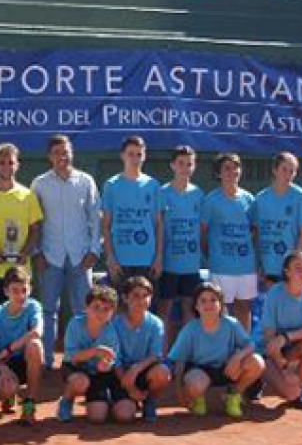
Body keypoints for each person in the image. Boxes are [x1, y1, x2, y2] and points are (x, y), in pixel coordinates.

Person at [31, 135, 102, 370]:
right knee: (48, 311)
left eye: (66, 152)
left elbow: (95, 218)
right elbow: (34, 222)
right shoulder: (39, 184)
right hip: (50, 256)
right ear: (49, 156)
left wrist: (94, 250)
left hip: (81, 257)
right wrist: (36, 251)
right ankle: (48, 361)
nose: (63, 157)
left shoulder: (86, 181)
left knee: (84, 311)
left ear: (72, 153)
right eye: (57, 153)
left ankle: (82, 360)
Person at [167, 282, 265, 418]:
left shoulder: (232, 323)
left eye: (214, 300)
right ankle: (198, 399)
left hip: (228, 369)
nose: (209, 304)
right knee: (196, 385)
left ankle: (232, 395)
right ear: (196, 306)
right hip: (200, 371)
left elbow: (250, 345)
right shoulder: (190, 329)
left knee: (257, 362)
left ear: (221, 305)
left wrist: (237, 357)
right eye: (203, 301)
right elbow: (179, 362)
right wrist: (180, 394)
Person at [0, 143, 43, 317]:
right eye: (2, 162)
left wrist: (25, 253)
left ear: (17, 165)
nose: (6, 166)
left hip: (20, 272)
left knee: (21, 320)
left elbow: (35, 230)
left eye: (11, 162)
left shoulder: (28, 196)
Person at [259, 250, 302, 410]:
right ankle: (259, 379)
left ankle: (299, 387)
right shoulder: (274, 293)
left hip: (293, 346)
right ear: (286, 272)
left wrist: (286, 337)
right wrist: (284, 367)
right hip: (271, 351)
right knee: (288, 393)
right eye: (298, 268)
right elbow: (269, 338)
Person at [201, 153, 257, 332]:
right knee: (221, 312)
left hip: (245, 267)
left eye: (235, 168)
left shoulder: (249, 199)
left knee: (244, 309)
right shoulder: (211, 200)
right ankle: (223, 353)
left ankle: (244, 349)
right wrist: (213, 255)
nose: (232, 172)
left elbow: (253, 230)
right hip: (220, 268)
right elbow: (202, 233)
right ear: (218, 173)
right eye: (227, 168)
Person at [157, 145, 204, 347]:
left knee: (189, 310)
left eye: (189, 164)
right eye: (181, 164)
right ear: (172, 166)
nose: (185, 168)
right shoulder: (162, 193)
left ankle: (184, 356)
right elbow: (157, 226)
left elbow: (202, 229)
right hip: (168, 264)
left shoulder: (199, 194)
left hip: (191, 265)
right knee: (164, 310)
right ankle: (162, 356)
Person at [0, 266, 43, 425]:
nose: (20, 295)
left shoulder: (33, 307)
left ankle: (29, 403)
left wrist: (10, 349)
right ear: (6, 291)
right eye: (15, 290)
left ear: (30, 289)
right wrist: (3, 369)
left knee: (35, 345)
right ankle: (7, 396)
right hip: (2, 363)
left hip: (23, 361)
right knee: (7, 387)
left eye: (24, 290)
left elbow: (37, 332)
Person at [102, 135, 162, 287]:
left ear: (144, 156)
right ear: (122, 155)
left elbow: (158, 225)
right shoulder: (111, 185)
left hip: (147, 261)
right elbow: (105, 225)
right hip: (120, 262)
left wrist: (158, 258)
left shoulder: (153, 185)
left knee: (143, 306)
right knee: (119, 307)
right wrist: (110, 258)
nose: (135, 158)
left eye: (139, 154)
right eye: (130, 154)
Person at [111, 277, 172, 423]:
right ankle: (118, 401)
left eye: (146, 296)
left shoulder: (156, 323)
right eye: (136, 296)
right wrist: (130, 387)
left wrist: (135, 369)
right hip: (119, 374)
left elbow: (156, 355)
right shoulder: (114, 324)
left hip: (142, 370)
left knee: (163, 372)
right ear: (125, 298)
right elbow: (115, 359)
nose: (141, 300)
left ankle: (149, 401)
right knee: (123, 416)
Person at [57, 285, 120, 424]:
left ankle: (105, 401)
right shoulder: (75, 324)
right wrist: (96, 351)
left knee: (97, 418)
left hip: (98, 373)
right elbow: (73, 356)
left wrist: (106, 365)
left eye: (106, 309)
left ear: (112, 313)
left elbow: (111, 360)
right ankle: (66, 401)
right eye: (96, 307)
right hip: (75, 369)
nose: (100, 312)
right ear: (86, 307)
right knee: (81, 382)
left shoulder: (111, 331)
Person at [254, 152, 302, 287]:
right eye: (284, 169)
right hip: (268, 265)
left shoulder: (301, 197)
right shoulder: (260, 198)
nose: (288, 174)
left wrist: (296, 263)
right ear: (275, 170)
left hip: (292, 270)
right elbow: (256, 233)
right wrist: (257, 264)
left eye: (292, 171)